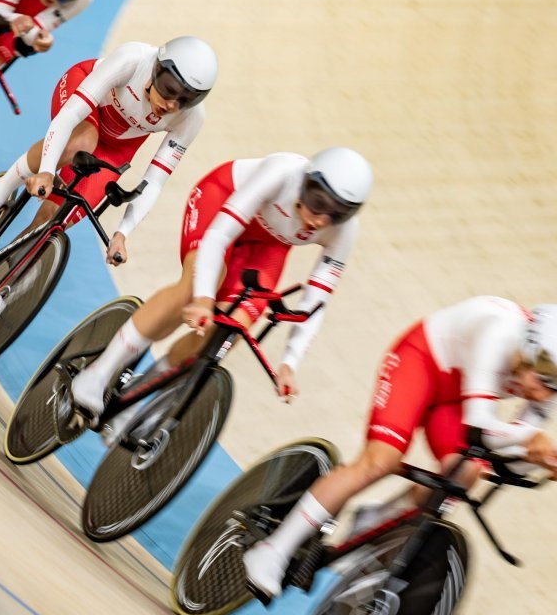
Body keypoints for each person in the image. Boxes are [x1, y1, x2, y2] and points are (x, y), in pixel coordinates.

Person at [241, 297, 557, 600]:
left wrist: (538, 460)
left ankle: (377, 520)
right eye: (545, 380)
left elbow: (501, 457)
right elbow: (485, 427)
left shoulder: (547, 385)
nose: (547, 394)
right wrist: (530, 441)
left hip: (456, 400)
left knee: (466, 473)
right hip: (421, 364)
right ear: (530, 347)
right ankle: (272, 550)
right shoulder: (498, 331)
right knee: (381, 461)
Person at [68, 148, 373, 446]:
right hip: (220, 202)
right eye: (318, 203)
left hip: (267, 247)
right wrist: (202, 297)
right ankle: (97, 374)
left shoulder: (344, 232)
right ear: (307, 182)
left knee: (230, 330)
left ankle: (137, 398)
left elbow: (315, 303)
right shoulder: (281, 173)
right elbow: (220, 234)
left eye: (337, 213)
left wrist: (289, 362)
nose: (321, 220)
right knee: (193, 285)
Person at [0, 36, 218, 259]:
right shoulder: (133, 59)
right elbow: (71, 114)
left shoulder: (192, 118)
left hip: (115, 149)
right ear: (157, 69)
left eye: (186, 99)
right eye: (169, 89)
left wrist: (122, 233)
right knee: (82, 142)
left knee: (55, 220)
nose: (172, 105)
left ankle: (1, 278)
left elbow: (154, 181)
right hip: (83, 105)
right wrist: (48, 170)